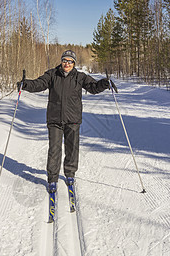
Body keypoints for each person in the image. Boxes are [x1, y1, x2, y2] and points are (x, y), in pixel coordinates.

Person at [17, 50, 117, 192]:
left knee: (72, 148)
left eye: (70, 61)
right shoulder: (52, 74)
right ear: (61, 61)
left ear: (74, 63)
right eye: (65, 60)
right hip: (55, 119)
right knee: (54, 150)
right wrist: (25, 84)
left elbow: (93, 87)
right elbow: (39, 84)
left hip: (73, 119)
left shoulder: (80, 77)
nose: (67, 63)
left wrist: (104, 83)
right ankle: (52, 178)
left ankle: (70, 174)